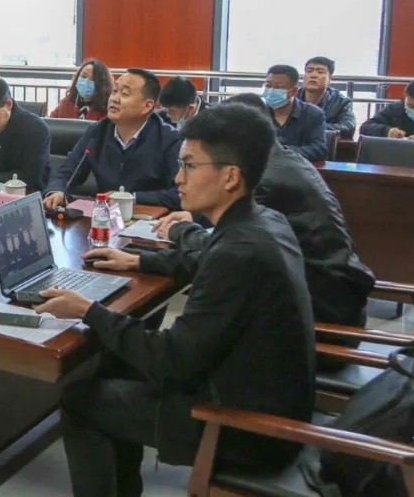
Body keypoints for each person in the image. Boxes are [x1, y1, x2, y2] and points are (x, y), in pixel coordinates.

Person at [37, 104, 315, 497]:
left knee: (79, 399)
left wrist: (88, 311)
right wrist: (138, 260)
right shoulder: (264, 222)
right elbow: (204, 257)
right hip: (260, 394)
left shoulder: (238, 252)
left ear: (230, 176)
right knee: (116, 363)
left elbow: (171, 360)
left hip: (242, 426)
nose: (177, 177)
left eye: (188, 166)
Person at [154, 93, 374, 328]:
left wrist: (180, 230)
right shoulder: (285, 160)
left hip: (318, 312)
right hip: (332, 295)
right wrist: (193, 217)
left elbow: (227, 247)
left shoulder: (265, 180)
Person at [45, 69, 182, 210]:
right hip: (104, 218)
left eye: (125, 94)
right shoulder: (97, 132)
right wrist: (57, 191)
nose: (115, 99)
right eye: (114, 91)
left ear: (147, 106)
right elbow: (67, 172)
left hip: (150, 219)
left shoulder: (170, 140)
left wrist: (131, 198)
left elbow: (179, 194)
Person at [262, 64, 327, 162]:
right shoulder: (257, 112)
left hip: (299, 167)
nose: (271, 91)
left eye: (279, 87)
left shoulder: (313, 114)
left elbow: (319, 149)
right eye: (268, 86)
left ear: (294, 91)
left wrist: (283, 152)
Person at [360, 78, 414, 142]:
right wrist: (386, 131)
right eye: (411, 106)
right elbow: (365, 127)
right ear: (405, 99)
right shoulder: (395, 109)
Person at [297, 56, 356, 138]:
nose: (313, 75)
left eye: (320, 72)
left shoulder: (341, 102)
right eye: (309, 71)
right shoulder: (292, 97)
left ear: (330, 79)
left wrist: (313, 127)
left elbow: (348, 127)